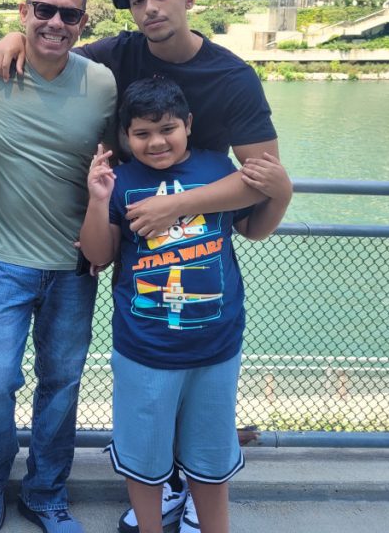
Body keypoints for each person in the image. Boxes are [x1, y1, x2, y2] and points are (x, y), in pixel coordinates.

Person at [0, 0, 280, 532]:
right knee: (146, 401)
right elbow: (55, 41)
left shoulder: (231, 77)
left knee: (201, 405)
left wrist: (176, 206)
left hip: (196, 233)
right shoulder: (118, 54)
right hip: (125, 242)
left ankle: (190, 489)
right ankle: (163, 487)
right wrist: (15, 40)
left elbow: (262, 183)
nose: (150, 9)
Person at [80, 77, 290, 533]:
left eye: (167, 129)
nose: (156, 142)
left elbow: (255, 229)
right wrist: (97, 201)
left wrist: (283, 193)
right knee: (143, 459)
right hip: (144, 349)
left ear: (189, 125)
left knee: (211, 460)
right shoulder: (121, 181)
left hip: (216, 346)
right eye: (141, 133)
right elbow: (98, 255)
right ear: (125, 135)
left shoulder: (219, 168)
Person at [0, 0, 116, 533]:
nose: (55, 23)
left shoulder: (102, 83)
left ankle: (45, 491)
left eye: (69, 15)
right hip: (0, 261)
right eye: (44, 10)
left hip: (75, 264)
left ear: (83, 23)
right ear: (23, 11)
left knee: (61, 382)